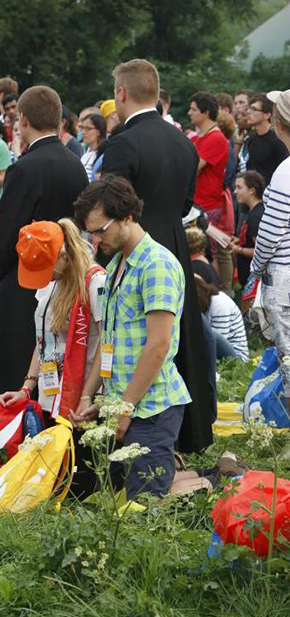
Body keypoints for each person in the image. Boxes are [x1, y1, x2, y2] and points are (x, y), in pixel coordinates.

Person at [101, 59, 214, 452]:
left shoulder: (123, 142)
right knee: (176, 339)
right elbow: (186, 203)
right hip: (175, 246)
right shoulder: (184, 142)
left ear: (121, 93)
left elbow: (109, 207)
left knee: (140, 338)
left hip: (136, 249)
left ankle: (137, 426)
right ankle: (186, 435)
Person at [0, 86, 88, 438]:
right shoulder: (76, 166)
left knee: (3, 357)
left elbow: (5, 233)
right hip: (66, 281)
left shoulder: (25, 169)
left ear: (23, 120)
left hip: (25, 280)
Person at [73, 175, 192, 500]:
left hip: (151, 409)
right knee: (116, 501)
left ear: (127, 216)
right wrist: (88, 396)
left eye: (101, 230)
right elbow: (109, 340)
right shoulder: (116, 267)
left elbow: (159, 345)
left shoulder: (156, 265)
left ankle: (207, 481)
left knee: (145, 506)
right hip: (120, 406)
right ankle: (187, 473)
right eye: (91, 233)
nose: (96, 240)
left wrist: (125, 409)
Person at [0, 218, 106, 497]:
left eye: (47, 269)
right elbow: (42, 339)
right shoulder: (50, 283)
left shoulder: (95, 283)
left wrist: (87, 396)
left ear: (64, 256)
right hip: (50, 395)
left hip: (82, 401)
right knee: (51, 482)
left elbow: (108, 344)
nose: (45, 276)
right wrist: (26, 387)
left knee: (78, 489)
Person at [251, 89, 290, 416]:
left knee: (289, 360)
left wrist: (256, 268)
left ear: (279, 124)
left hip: (284, 275)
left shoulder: (284, 172)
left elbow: (270, 233)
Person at [188, 91, 232, 293]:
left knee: (215, 253)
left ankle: (220, 292)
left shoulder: (215, 138)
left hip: (209, 205)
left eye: (194, 109)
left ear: (206, 112)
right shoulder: (199, 137)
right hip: (198, 203)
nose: (189, 113)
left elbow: (192, 166)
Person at [195, 277, 249, 362]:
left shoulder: (220, 304)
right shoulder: (207, 302)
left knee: (212, 334)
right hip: (218, 353)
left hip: (237, 357)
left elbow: (215, 343)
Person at [232, 171, 265, 290]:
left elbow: (259, 250)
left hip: (253, 279)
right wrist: (238, 240)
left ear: (252, 190)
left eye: (239, 187)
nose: (235, 191)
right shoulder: (252, 212)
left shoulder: (257, 216)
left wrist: (238, 249)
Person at [246, 93, 288, 186]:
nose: (248, 112)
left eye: (254, 109)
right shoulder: (251, 139)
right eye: (248, 108)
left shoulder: (277, 139)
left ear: (267, 115)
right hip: (254, 194)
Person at [80, 114, 107, 180]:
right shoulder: (85, 154)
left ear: (98, 132)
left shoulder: (104, 155)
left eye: (87, 129)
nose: (83, 132)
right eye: (82, 128)